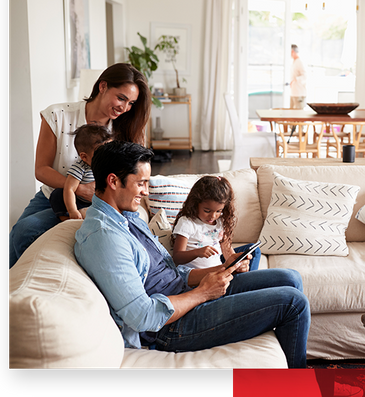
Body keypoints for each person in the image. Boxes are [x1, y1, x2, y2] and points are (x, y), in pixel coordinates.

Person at [74, 141, 310, 368]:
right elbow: (142, 316)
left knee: (290, 278)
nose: (145, 192)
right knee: (293, 303)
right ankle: (299, 386)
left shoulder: (128, 217)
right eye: (141, 183)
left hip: (185, 294)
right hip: (171, 326)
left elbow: (170, 272)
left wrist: (221, 269)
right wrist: (203, 293)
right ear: (113, 181)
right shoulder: (104, 237)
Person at [8, 63, 151, 268]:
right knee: (16, 234)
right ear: (102, 86)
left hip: (97, 201)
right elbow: (41, 170)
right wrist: (78, 188)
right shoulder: (57, 115)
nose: (125, 107)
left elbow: (133, 177)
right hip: (54, 193)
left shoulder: (125, 129)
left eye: (131, 103)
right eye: (121, 98)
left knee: (25, 231)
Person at [172, 175, 261, 272]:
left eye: (218, 211)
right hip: (201, 276)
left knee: (253, 251)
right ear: (195, 204)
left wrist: (237, 265)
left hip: (220, 271)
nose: (213, 216)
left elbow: (228, 253)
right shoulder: (187, 222)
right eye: (207, 211)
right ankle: (247, 282)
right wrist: (197, 252)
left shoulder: (220, 222)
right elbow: (177, 257)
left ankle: (245, 278)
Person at [49, 124, 112, 221]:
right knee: (58, 194)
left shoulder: (110, 166)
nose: (107, 157)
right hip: (80, 202)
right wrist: (72, 210)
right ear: (84, 157)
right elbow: (69, 189)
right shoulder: (80, 168)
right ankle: (66, 218)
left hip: (99, 202)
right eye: (101, 154)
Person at [289, 44, 307, 109]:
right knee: (291, 114)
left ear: (292, 51)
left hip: (299, 93)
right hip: (293, 93)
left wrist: (295, 79)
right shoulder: (294, 62)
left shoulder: (299, 62)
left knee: (298, 115)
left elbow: (305, 76)